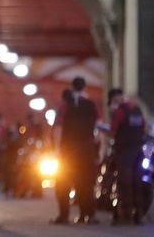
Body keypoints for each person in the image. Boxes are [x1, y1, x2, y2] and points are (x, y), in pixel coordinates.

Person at [52, 77, 101, 225]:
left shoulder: (65, 106)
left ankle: (64, 216)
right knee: (86, 183)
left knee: (63, 183)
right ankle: (88, 215)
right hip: (87, 149)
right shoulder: (91, 105)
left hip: (68, 150)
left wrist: (57, 150)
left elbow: (58, 128)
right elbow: (99, 128)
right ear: (85, 87)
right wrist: (98, 148)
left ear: (72, 87)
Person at [108, 88, 146, 225]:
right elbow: (144, 128)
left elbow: (112, 130)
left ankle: (126, 216)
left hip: (124, 152)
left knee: (125, 184)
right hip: (138, 151)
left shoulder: (120, 112)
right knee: (137, 183)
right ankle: (139, 215)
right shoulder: (138, 111)